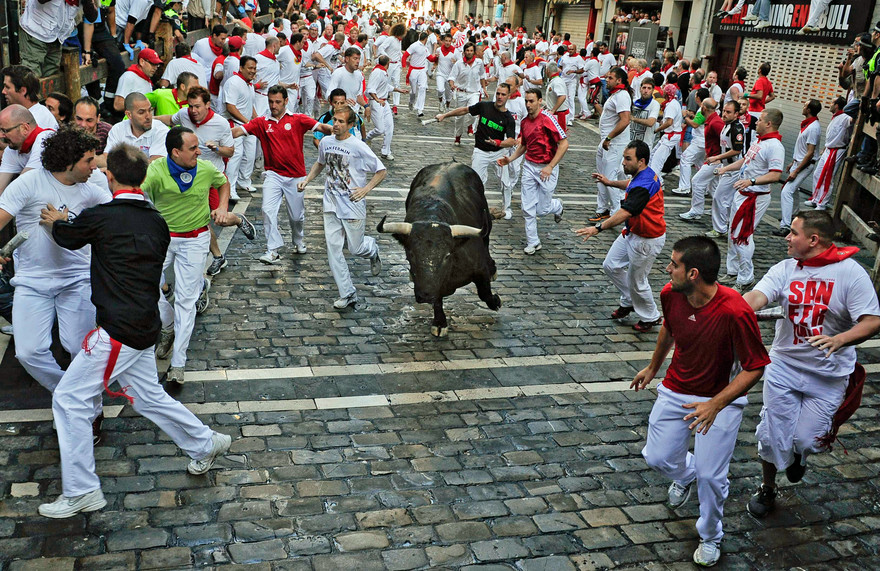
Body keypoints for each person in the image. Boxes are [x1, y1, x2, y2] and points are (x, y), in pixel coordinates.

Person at [36, 143, 232, 520]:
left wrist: (58, 220)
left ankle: (81, 490)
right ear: (142, 178)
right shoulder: (156, 220)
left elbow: (68, 237)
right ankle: (205, 442)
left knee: (69, 399)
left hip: (119, 330)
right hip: (144, 325)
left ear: (109, 176)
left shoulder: (103, 216)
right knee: (147, 398)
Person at [632, 236, 770, 568]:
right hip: (676, 389)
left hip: (721, 400)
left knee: (712, 477)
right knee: (656, 457)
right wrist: (653, 367)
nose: (668, 269)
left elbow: (755, 367)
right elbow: (669, 329)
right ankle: (686, 473)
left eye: (674, 264)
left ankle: (710, 535)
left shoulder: (735, 310)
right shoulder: (670, 294)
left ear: (693, 273)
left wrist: (716, 404)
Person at [743, 211, 880, 518]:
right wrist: (738, 308)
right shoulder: (785, 268)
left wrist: (840, 339)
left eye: (794, 232)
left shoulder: (851, 273)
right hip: (784, 366)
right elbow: (758, 295)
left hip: (829, 376)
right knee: (771, 434)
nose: (787, 237)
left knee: (808, 439)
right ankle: (767, 488)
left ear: (813, 239)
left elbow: (872, 320)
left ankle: (799, 455)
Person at [0, 126, 110, 435]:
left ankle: (89, 409)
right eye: (89, 160)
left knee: (78, 348)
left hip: (77, 279)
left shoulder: (92, 189)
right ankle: (73, 396)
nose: (95, 166)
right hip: (31, 281)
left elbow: (114, 220)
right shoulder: (29, 183)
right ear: (69, 161)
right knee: (28, 352)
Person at [144, 127, 241, 385]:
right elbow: (138, 193)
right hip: (163, 239)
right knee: (146, 286)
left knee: (185, 303)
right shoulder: (156, 171)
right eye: (193, 148)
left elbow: (223, 182)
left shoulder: (206, 168)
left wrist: (222, 207)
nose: (199, 152)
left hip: (196, 240)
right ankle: (168, 326)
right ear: (175, 152)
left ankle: (178, 364)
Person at [161, 86, 255, 276]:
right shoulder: (184, 115)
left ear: (207, 104)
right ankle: (218, 256)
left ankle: (237, 219)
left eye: (197, 106)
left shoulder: (220, 124)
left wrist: (216, 149)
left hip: (213, 177)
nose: (193, 111)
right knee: (200, 220)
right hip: (190, 178)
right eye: (190, 106)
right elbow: (170, 119)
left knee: (219, 219)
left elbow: (230, 151)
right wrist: (147, 119)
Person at [299, 106, 385, 309]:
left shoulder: (358, 146)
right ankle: (347, 293)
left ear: (350, 125)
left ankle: (372, 248)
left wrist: (365, 189)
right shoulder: (326, 142)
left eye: (340, 121)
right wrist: (307, 179)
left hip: (352, 204)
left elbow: (381, 170)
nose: (335, 124)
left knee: (356, 248)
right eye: (334, 120)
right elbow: (320, 163)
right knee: (333, 250)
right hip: (330, 203)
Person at [232, 85, 330, 264]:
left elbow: (322, 127)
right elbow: (238, 131)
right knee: (267, 210)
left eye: (277, 102)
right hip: (273, 175)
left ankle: (298, 240)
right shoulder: (261, 122)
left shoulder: (298, 119)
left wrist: (341, 130)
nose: (273, 105)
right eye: (271, 102)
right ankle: (272, 250)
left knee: (296, 217)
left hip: (296, 176)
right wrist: (216, 135)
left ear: (286, 101)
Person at [576, 140, 666, 332]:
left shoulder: (644, 185)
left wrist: (598, 228)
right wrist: (610, 183)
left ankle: (651, 316)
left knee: (637, 281)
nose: (623, 162)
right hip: (634, 232)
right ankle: (629, 300)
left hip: (646, 239)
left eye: (628, 159)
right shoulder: (643, 175)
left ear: (641, 161)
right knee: (611, 265)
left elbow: (624, 213)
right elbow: (630, 184)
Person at [716, 108, 785, 293]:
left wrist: (751, 181)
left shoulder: (775, 146)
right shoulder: (759, 140)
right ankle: (733, 271)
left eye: (760, 120)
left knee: (742, 236)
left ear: (769, 124)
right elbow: (745, 161)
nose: (756, 122)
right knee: (733, 232)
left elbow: (775, 175)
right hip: (743, 193)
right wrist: (725, 168)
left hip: (754, 197)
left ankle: (746, 277)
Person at [497, 88, 567, 255]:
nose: (528, 105)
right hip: (529, 166)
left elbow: (564, 144)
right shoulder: (525, 122)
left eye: (531, 101)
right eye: (526, 101)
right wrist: (510, 159)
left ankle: (557, 206)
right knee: (527, 208)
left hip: (546, 167)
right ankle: (533, 241)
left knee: (542, 210)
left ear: (540, 101)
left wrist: (550, 166)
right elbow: (524, 145)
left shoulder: (548, 119)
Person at [436, 82, 517, 218]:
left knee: (506, 183)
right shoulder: (484, 106)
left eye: (503, 94)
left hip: (498, 153)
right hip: (480, 151)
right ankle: (476, 208)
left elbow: (511, 141)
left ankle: (507, 209)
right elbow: (464, 110)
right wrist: (445, 115)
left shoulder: (508, 118)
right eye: (498, 93)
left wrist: (498, 143)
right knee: (476, 182)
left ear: (508, 96)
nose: (499, 97)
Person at [592, 67, 631, 222]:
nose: (606, 80)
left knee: (609, 177)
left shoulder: (622, 96)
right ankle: (602, 208)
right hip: (606, 141)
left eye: (610, 78)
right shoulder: (615, 94)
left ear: (619, 80)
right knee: (601, 175)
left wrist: (609, 137)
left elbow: (625, 120)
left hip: (615, 143)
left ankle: (616, 212)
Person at [776, 99, 821, 236]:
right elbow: (802, 149)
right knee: (793, 191)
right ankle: (792, 216)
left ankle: (785, 225)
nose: (803, 107)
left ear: (809, 110)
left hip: (804, 165)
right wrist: (793, 163)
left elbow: (810, 153)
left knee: (786, 192)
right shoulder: (808, 125)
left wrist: (796, 170)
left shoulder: (813, 128)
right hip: (799, 163)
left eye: (805, 105)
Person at [703, 100, 745, 240]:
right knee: (723, 197)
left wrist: (717, 157)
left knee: (719, 197)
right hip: (726, 167)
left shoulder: (736, 128)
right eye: (724, 111)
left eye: (728, 112)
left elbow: (736, 150)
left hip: (733, 169)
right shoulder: (727, 125)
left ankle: (720, 228)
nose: (724, 114)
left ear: (736, 114)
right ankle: (726, 225)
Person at [17, 0, 86, 77]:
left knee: (51, 77)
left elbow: (92, 17)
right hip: (34, 33)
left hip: (56, 38)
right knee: (31, 75)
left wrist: (89, 2)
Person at [680, 98, 724, 221]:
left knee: (697, 182)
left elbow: (725, 141)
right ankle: (718, 210)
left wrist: (719, 157)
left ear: (704, 108)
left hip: (716, 160)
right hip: (714, 158)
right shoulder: (712, 120)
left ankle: (696, 211)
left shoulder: (715, 122)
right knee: (714, 187)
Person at [223, 55, 258, 199]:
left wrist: (257, 120)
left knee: (250, 154)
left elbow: (250, 104)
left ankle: (244, 180)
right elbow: (230, 107)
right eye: (250, 68)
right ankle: (230, 188)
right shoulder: (233, 82)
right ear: (241, 68)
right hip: (234, 124)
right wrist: (246, 122)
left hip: (247, 125)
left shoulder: (249, 84)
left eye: (254, 68)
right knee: (235, 156)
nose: (253, 71)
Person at [807, 96, 852, 211]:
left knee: (828, 177)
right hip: (828, 149)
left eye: (832, 102)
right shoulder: (835, 117)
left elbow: (853, 121)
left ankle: (822, 204)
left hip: (836, 150)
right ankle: (815, 199)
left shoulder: (845, 117)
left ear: (836, 106)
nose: (830, 104)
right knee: (817, 174)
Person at [0, 106, 55, 194]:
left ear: (25, 128)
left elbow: (24, 184)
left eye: (5, 131)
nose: (1, 135)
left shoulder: (46, 139)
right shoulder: (12, 149)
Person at [103, 93, 169, 167]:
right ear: (129, 115)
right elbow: (107, 158)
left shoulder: (161, 130)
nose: (148, 116)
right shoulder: (117, 129)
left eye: (150, 110)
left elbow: (155, 164)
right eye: (141, 112)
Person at [365, 56, 409, 161]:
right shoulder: (377, 72)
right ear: (388, 63)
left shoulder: (383, 72)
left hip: (384, 102)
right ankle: (367, 137)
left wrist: (399, 90)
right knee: (380, 129)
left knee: (389, 127)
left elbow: (386, 86)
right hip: (377, 102)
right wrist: (377, 99)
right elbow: (371, 88)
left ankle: (386, 151)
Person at [448, 43, 487, 146]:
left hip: (474, 92)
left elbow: (482, 76)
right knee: (459, 117)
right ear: (464, 52)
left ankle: (470, 125)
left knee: (473, 113)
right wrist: (452, 85)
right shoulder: (459, 64)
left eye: (471, 50)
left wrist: (484, 88)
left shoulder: (479, 62)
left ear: (474, 52)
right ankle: (457, 136)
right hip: (461, 92)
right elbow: (452, 77)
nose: (469, 52)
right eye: (467, 50)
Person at [114, 48, 162, 114]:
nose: (155, 68)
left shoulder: (146, 77)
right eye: (152, 64)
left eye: (157, 65)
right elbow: (118, 105)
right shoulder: (128, 77)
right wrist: (141, 106)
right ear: (142, 62)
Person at [403, 32, 431, 117]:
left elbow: (430, 58)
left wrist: (437, 57)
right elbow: (405, 55)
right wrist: (404, 66)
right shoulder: (414, 46)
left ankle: (420, 109)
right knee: (414, 91)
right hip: (413, 70)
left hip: (422, 70)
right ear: (426, 39)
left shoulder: (425, 48)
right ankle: (411, 102)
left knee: (422, 88)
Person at [630, 78, 660, 148]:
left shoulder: (655, 104)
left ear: (652, 90)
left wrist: (633, 119)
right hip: (630, 142)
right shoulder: (633, 102)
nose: (646, 91)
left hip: (645, 145)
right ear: (640, 89)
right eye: (644, 88)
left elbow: (651, 122)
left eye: (649, 88)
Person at [544, 62, 570, 132]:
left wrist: (553, 110)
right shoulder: (555, 80)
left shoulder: (557, 82)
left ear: (548, 70)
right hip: (557, 114)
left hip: (560, 115)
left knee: (559, 136)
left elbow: (562, 97)